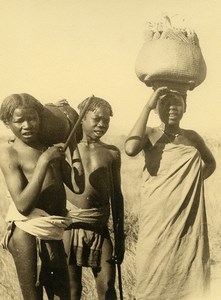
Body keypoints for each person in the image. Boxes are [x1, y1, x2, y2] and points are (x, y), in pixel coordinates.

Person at [125, 87, 216, 300]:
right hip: (157, 212)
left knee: (187, 263)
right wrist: (147, 105)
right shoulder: (149, 133)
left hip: (187, 213)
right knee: (152, 265)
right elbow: (130, 149)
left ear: (185, 107)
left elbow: (211, 164)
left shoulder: (192, 137)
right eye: (164, 103)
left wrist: (189, 184)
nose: (172, 108)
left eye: (177, 103)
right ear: (157, 108)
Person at [0, 93, 72, 300]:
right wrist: (44, 161)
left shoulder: (47, 148)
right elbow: (23, 205)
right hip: (26, 232)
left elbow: (78, 186)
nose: (27, 125)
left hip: (52, 230)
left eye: (32, 118)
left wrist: (71, 145)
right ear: (7, 123)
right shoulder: (9, 152)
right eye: (19, 120)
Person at [61, 96, 125, 300]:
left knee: (107, 286)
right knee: (72, 290)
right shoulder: (66, 151)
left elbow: (117, 196)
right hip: (70, 227)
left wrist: (120, 238)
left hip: (99, 227)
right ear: (81, 119)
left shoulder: (111, 153)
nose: (102, 124)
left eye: (106, 120)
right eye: (96, 119)